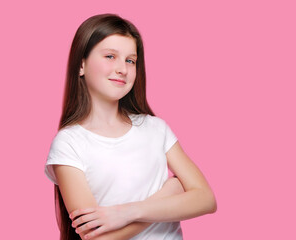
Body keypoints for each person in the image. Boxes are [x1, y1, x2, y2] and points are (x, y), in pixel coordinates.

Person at [44, 13, 217, 240]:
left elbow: (206, 199)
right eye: (110, 56)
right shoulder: (69, 143)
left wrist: (128, 212)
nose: (122, 69)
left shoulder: (156, 128)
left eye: (130, 60)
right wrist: (169, 195)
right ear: (81, 65)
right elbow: (95, 238)